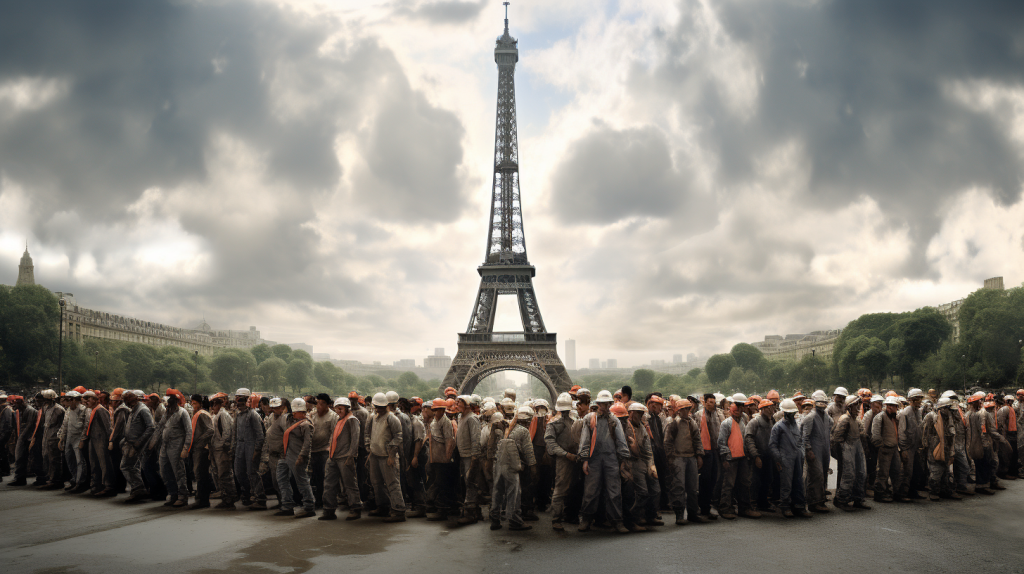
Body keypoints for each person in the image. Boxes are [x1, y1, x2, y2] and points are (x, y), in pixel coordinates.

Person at [577, 390, 631, 534]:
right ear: (598, 404)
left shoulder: (614, 420)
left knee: (614, 492)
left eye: (606, 404)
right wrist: (585, 460)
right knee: (591, 491)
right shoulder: (589, 419)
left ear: (609, 404)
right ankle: (586, 520)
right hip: (594, 458)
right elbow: (585, 440)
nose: (603, 406)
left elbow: (621, 441)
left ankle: (617, 522)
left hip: (611, 458)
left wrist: (623, 460)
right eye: (601, 403)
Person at [490, 406, 537, 531]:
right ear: (528, 420)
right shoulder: (524, 431)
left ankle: (495, 519)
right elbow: (528, 451)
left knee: (497, 492)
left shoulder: (505, 429)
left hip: (498, 463)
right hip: (512, 465)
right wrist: (533, 467)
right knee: (514, 493)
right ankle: (514, 520)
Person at [363, 392, 406, 522]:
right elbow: (367, 433)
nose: (378, 409)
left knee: (392, 483)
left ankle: (399, 510)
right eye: (376, 407)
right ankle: (383, 507)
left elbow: (398, 437)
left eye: (380, 407)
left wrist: (391, 454)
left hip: (387, 455)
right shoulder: (372, 417)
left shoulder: (392, 418)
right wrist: (368, 446)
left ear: (386, 406)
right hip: (375, 455)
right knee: (376, 483)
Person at [320, 397, 362, 521]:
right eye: (337, 408)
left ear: (347, 408)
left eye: (341, 408)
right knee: (329, 484)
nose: (338, 410)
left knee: (350, 484)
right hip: (333, 456)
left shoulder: (352, 420)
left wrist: (351, 455)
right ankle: (329, 510)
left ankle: (355, 508)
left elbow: (355, 439)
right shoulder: (338, 420)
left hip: (344, 457)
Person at [274, 398, 316, 518]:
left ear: (302, 411)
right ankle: (287, 504)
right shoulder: (290, 420)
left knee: (302, 481)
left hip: (298, 456)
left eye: (296, 411)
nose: (294, 413)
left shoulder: (306, 424)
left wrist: (302, 456)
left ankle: (309, 507)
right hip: (286, 454)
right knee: (281, 478)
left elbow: (308, 443)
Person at [718, 394, 758, 520]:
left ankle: (744, 508)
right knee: (728, 484)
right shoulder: (726, 424)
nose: (740, 411)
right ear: (733, 411)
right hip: (731, 459)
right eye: (738, 409)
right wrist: (724, 458)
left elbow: (745, 438)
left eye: (742, 408)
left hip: (743, 457)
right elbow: (721, 442)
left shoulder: (744, 420)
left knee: (745, 483)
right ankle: (725, 508)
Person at [769, 399, 810, 517]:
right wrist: (778, 459)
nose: (791, 416)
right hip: (785, 459)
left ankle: (800, 507)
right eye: (789, 413)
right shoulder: (778, 427)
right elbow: (772, 445)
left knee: (799, 482)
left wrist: (801, 454)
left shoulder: (796, 425)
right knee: (786, 484)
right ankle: (785, 506)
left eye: (793, 413)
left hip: (797, 458)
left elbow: (800, 440)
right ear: (784, 413)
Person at [544, 392, 578, 531]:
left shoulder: (573, 420)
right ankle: (556, 518)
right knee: (560, 488)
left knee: (572, 487)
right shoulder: (553, 423)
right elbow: (550, 442)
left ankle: (566, 514)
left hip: (574, 457)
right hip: (563, 459)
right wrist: (565, 454)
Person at [831, 395, 870, 510]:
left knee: (861, 473)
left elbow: (862, 435)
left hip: (857, 446)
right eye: (855, 405)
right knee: (849, 474)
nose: (858, 408)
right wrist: (841, 453)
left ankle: (858, 499)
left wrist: (865, 449)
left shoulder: (856, 419)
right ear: (849, 407)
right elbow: (837, 439)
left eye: (859, 405)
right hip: (847, 446)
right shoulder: (844, 419)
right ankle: (841, 500)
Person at [155, 389, 192, 507]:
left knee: (178, 471)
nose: (168, 402)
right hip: (165, 445)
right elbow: (160, 427)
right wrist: (152, 443)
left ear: (175, 400)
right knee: (164, 470)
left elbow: (189, 430)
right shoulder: (167, 413)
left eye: (170, 399)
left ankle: (182, 496)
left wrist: (186, 447)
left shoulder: (182, 412)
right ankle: (173, 494)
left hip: (177, 445)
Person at [233, 388, 266, 509]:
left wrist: (256, 451)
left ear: (247, 400)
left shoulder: (253, 415)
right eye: (238, 399)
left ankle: (260, 498)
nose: (239, 402)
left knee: (252, 472)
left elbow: (260, 435)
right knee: (238, 472)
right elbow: (235, 434)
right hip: (240, 446)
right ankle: (246, 494)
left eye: (241, 399)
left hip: (250, 446)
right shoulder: (238, 414)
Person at [120, 390, 155, 503]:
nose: (128, 404)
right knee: (132, 467)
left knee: (126, 466)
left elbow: (151, 427)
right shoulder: (134, 409)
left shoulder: (142, 410)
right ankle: (138, 489)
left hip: (137, 444)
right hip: (131, 443)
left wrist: (139, 442)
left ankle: (138, 489)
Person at [426, 399, 457, 521]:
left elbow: (449, 440)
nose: (434, 412)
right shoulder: (434, 421)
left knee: (440, 483)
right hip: (434, 458)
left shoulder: (446, 422)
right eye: (433, 409)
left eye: (436, 410)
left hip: (442, 459)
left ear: (442, 410)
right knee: (437, 481)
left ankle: (440, 507)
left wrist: (447, 458)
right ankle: (436, 506)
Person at [802, 390, 832, 513]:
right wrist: (808, 450)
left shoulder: (826, 417)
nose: (822, 405)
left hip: (825, 449)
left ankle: (821, 499)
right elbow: (804, 436)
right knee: (816, 475)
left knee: (823, 474)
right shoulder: (810, 417)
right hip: (814, 449)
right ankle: (813, 502)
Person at [922, 397, 957, 500]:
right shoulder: (931, 417)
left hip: (945, 448)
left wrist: (951, 451)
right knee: (935, 471)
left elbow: (951, 435)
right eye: (948, 408)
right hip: (933, 448)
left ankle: (944, 491)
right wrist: (925, 446)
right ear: (942, 408)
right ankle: (934, 492)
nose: (949, 411)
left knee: (945, 471)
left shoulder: (948, 418)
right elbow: (924, 432)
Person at [455, 395, 482, 525]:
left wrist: (474, 458)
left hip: (471, 457)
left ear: (467, 404)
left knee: (471, 483)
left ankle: (470, 514)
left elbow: (476, 439)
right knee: (468, 483)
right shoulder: (462, 417)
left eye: (460, 402)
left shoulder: (472, 418)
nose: (457, 404)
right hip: (464, 456)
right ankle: (476, 511)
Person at [744, 399, 775, 513]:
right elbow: (749, 439)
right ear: (761, 409)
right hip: (757, 456)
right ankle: (753, 504)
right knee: (755, 481)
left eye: (772, 407)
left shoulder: (771, 421)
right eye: (768, 408)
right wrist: (756, 456)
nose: (771, 410)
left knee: (767, 480)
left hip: (768, 456)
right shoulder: (755, 422)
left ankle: (763, 502)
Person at [309, 393, 339, 510]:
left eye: (322, 403)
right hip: (313, 450)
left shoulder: (333, 417)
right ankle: (317, 499)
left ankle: (326, 501)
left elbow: (334, 434)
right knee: (315, 477)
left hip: (325, 450)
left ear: (327, 405)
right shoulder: (312, 415)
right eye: (318, 403)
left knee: (325, 477)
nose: (319, 406)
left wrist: (330, 448)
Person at [82, 391, 115, 496]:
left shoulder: (100, 410)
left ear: (95, 399)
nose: (86, 401)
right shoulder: (92, 410)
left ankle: (108, 486)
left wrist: (110, 441)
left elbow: (107, 427)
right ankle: (97, 484)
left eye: (89, 398)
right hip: (93, 439)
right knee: (94, 463)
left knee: (104, 464)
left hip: (101, 440)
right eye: (85, 399)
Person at [209, 393, 239, 509]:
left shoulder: (223, 415)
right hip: (218, 449)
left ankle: (229, 499)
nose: (212, 408)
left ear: (218, 405)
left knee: (225, 475)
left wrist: (221, 446)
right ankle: (226, 497)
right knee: (221, 475)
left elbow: (227, 433)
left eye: (214, 405)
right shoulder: (219, 415)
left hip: (222, 450)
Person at [871, 395, 902, 502]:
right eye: (889, 406)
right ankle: (879, 494)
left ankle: (896, 493)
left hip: (894, 448)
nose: (891, 408)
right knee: (882, 473)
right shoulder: (880, 417)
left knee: (897, 471)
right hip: (885, 449)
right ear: (886, 406)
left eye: (893, 406)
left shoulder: (895, 418)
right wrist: (880, 447)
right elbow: (875, 435)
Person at [696, 393, 721, 520]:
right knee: (704, 480)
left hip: (715, 451)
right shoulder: (699, 415)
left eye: (713, 402)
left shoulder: (717, 414)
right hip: (704, 452)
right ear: (704, 402)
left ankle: (708, 506)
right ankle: (703, 507)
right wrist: (698, 454)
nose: (712, 404)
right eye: (709, 402)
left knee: (713, 479)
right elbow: (696, 435)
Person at [187, 395, 214, 509]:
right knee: (198, 473)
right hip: (197, 448)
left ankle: (203, 500)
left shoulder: (202, 414)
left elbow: (210, 430)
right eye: (192, 403)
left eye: (194, 403)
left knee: (200, 474)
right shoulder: (198, 414)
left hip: (201, 449)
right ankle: (201, 498)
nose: (193, 406)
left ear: (200, 403)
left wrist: (199, 442)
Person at [8, 395, 38, 486]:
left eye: (15, 404)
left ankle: (38, 478)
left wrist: (21, 438)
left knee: (32, 458)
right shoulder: (19, 411)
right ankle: (20, 478)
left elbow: (29, 426)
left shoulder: (30, 410)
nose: (14, 406)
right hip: (22, 437)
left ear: (20, 403)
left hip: (29, 438)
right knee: (20, 458)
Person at [997, 396, 1018, 479]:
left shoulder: (1011, 409)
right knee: (1006, 454)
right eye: (1009, 401)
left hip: (1013, 434)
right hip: (1007, 435)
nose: (1011, 402)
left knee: (1013, 454)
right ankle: (1004, 472)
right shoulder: (1004, 409)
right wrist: (1003, 436)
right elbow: (1000, 423)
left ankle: (1012, 472)